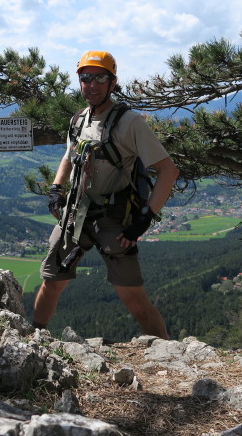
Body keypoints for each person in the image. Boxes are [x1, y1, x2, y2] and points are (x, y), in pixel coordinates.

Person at [32, 51, 179, 339]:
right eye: (86, 78)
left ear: (113, 83)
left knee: (133, 298)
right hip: (75, 214)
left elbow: (168, 170)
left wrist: (145, 217)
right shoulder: (79, 120)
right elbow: (68, 156)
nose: (92, 84)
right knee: (51, 281)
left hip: (114, 218)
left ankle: (168, 353)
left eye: (100, 78)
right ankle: (33, 341)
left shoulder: (130, 122)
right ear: (80, 81)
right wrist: (55, 189)